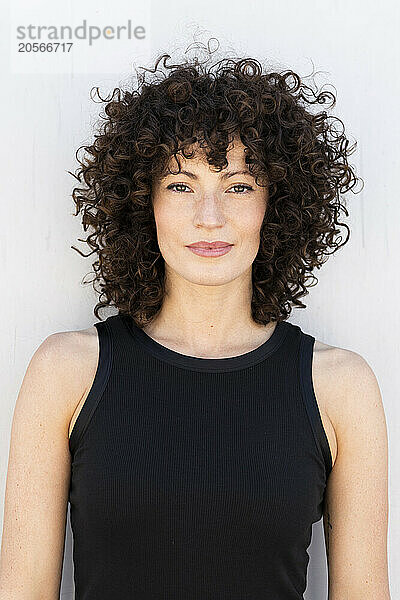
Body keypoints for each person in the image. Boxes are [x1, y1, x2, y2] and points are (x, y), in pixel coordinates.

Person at [0, 45, 390, 600]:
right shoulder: (66, 372)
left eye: (238, 186)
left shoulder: (341, 387)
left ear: (273, 206)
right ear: (144, 203)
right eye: (181, 185)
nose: (211, 217)